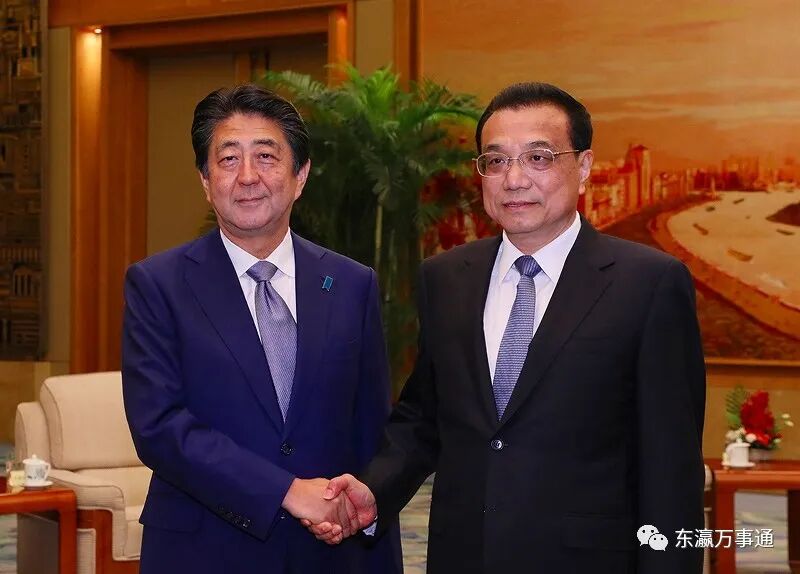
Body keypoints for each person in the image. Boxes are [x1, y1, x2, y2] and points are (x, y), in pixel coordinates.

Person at [309, 82, 706, 573]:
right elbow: (425, 416)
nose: (514, 179)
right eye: (495, 161)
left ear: (583, 166)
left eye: (539, 158)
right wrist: (376, 488)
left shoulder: (649, 284)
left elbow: (671, 469)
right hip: (463, 556)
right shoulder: (446, 278)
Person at [121, 84, 402, 573]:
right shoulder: (157, 284)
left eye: (267, 157)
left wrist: (368, 526)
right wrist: (287, 492)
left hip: (329, 550)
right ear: (205, 181)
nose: (248, 176)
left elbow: (371, 433)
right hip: (203, 550)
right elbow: (159, 428)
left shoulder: (352, 284)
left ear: (300, 176)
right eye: (228, 159)